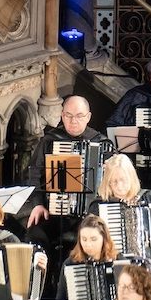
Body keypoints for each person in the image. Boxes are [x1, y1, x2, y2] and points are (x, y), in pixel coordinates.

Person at [21, 95, 112, 228]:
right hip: (54, 211)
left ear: (88, 117)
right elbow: (33, 174)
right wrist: (38, 204)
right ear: (62, 116)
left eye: (79, 116)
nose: (73, 121)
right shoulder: (50, 140)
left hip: (93, 215)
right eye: (68, 115)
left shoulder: (102, 144)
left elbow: (116, 179)